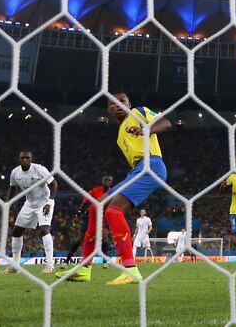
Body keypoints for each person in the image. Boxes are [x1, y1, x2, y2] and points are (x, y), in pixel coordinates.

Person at [56, 92, 170, 284]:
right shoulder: (120, 134)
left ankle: (131, 270)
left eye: (122, 102)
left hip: (152, 166)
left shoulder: (138, 112)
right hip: (138, 169)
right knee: (95, 206)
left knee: (113, 211)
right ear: (109, 109)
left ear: (129, 103)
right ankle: (85, 268)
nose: (118, 105)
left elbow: (166, 123)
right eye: (114, 104)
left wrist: (146, 130)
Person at [0, 150, 58, 274]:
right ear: (19, 159)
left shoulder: (40, 170)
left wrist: (49, 202)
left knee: (44, 229)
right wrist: (7, 203)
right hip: (29, 203)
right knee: (16, 231)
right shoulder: (15, 173)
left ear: (31, 159)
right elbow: (12, 188)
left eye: (27, 158)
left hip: (44, 202)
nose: (25, 160)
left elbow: (53, 184)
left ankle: (50, 266)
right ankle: (15, 266)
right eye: (22, 158)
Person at [60, 174, 114, 270]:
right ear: (102, 181)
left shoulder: (113, 192)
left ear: (111, 182)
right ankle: (66, 261)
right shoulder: (95, 191)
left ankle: (105, 262)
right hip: (90, 217)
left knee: (104, 237)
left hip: (103, 217)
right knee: (79, 239)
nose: (107, 182)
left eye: (109, 180)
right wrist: (78, 214)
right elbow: (84, 202)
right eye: (105, 180)